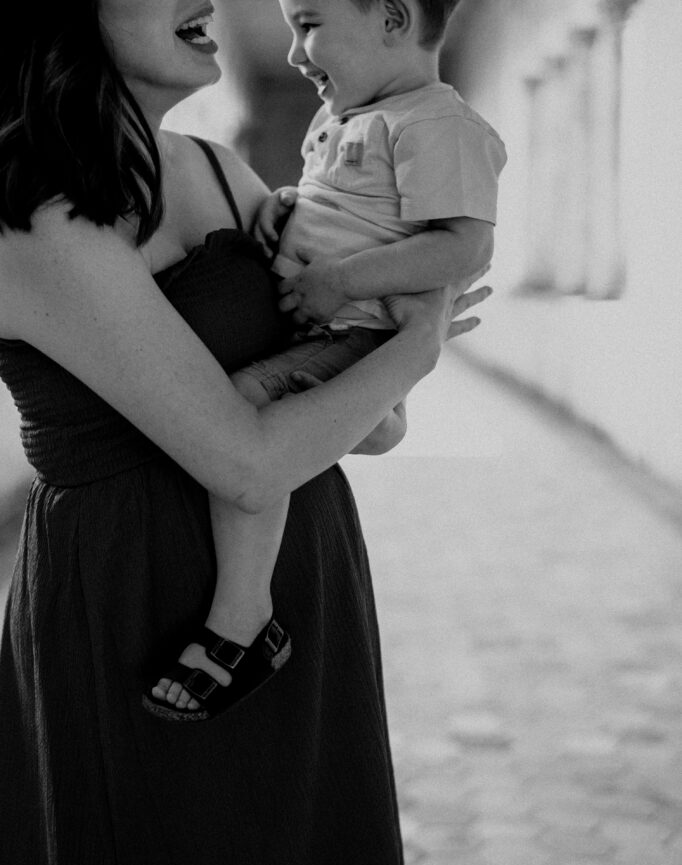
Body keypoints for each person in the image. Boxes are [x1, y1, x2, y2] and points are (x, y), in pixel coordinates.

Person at [0, 0, 489, 865]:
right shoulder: (30, 214)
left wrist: (375, 340)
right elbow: (251, 464)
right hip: (137, 602)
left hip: (306, 577)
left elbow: (374, 426)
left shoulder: (225, 175)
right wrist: (416, 340)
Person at [150, 0, 506, 717]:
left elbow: (465, 245)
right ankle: (377, 418)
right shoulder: (347, 116)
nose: (293, 54)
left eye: (309, 26)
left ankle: (242, 619)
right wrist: (286, 208)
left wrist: (342, 280)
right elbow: (345, 208)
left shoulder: (438, 124)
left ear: (393, 20)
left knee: (243, 407)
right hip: (323, 329)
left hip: (355, 333)